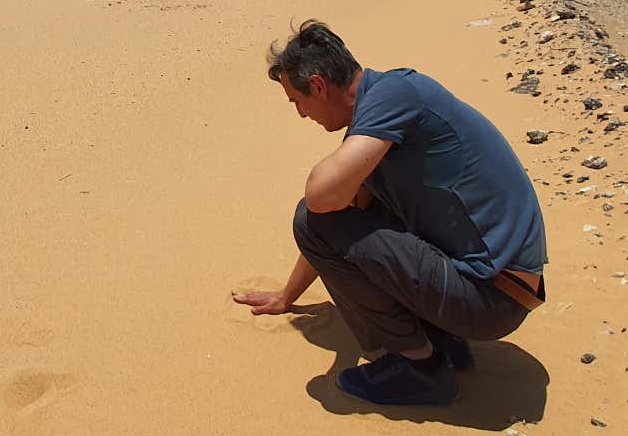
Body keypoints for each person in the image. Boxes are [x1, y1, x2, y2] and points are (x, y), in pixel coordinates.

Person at [233, 20, 547, 406]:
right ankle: (441, 340)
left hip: (491, 298)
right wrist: (287, 295)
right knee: (354, 210)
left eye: (297, 101)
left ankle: (421, 368)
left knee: (314, 215)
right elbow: (340, 221)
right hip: (496, 289)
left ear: (318, 85)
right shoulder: (384, 113)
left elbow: (320, 201)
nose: (300, 114)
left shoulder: (394, 94)